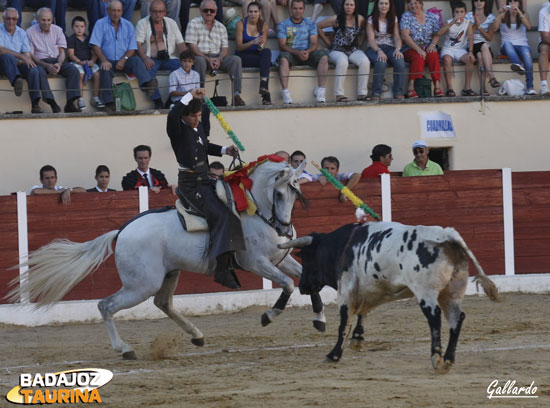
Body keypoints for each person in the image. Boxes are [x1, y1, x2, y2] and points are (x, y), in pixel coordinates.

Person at [166, 89, 245, 289]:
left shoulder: (198, 127)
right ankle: (220, 267)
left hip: (204, 180)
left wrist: (224, 150)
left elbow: (205, 145)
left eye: (199, 115)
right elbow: (173, 114)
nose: (196, 119)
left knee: (233, 206)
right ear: (185, 115)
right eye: (193, 115)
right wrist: (190, 95)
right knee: (222, 215)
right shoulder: (176, 129)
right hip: (189, 185)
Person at [90, 0, 163, 111]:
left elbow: (132, 48)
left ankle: (147, 85)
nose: (116, 13)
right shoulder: (100, 24)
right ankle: (109, 102)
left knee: (137, 61)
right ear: (108, 11)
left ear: (122, 11)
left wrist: (124, 59)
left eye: (119, 10)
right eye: (113, 10)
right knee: (104, 69)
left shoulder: (128, 25)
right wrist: (104, 60)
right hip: (107, 59)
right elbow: (95, 45)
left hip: (123, 60)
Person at [185, 0, 246, 106]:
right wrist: (207, 59)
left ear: (216, 12)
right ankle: (200, 95)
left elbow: (225, 49)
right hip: (201, 56)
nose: (209, 13)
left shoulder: (221, 27)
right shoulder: (193, 23)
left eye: (212, 10)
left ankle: (236, 95)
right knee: (199, 60)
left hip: (217, 57)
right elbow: (192, 47)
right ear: (200, 10)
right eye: (206, 10)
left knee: (236, 60)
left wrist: (219, 59)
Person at [26, 7, 82, 113]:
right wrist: (46, 65)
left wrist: (59, 64)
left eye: (49, 20)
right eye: (43, 20)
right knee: (39, 72)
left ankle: (70, 103)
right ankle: (52, 102)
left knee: (73, 70)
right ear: (37, 19)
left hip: (57, 60)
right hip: (41, 62)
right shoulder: (30, 32)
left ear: (52, 19)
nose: (46, 23)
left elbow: (62, 52)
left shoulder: (58, 30)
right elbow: (31, 55)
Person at [277, 0, 329, 104]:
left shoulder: (310, 24)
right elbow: (282, 45)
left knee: (324, 56)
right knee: (283, 58)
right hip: (292, 54)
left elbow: (314, 43)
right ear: (291, 9)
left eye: (300, 8)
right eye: (295, 8)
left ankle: (321, 91)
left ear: (304, 10)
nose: (298, 11)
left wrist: (307, 51)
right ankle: (285, 92)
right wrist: (297, 53)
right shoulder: (283, 25)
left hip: (307, 53)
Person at [317, 0, 370, 102]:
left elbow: (367, 28)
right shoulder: (336, 18)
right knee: (342, 62)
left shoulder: (359, 19)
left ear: (355, 7)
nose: (349, 7)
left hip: (353, 49)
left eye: (351, 5)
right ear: (343, 6)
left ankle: (362, 93)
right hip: (337, 50)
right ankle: (339, 94)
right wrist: (328, 43)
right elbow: (318, 26)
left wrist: (361, 41)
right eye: (347, 5)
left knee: (365, 61)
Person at [136, 0, 186, 105]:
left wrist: (185, 59)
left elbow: (181, 43)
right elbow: (138, 44)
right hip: (151, 58)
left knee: (184, 68)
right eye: (155, 11)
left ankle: (171, 100)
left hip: (169, 58)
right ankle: (157, 100)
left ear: (165, 12)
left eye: (160, 11)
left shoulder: (172, 23)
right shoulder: (142, 23)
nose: (158, 14)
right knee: (146, 69)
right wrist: (145, 58)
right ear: (150, 11)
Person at [0, 8, 44, 112]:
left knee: (33, 68)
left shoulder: (22, 32)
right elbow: (1, 50)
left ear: (17, 20)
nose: (11, 21)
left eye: (14, 19)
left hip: (17, 64)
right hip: (2, 64)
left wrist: (22, 59)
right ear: (3, 18)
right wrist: (21, 57)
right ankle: (16, 80)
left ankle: (35, 104)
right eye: (8, 18)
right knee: (8, 56)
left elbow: (27, 54)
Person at [400, 0, 444, 98]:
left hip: (427, 47)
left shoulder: (431, 17)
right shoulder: (406, 16)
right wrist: (418, 49)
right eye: (410, 3)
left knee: (433, 55)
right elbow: (405, 36)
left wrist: (432, 45)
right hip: (410, 48)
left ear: (421, 4)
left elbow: (437, 34)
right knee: (418, 56)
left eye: (416, 3)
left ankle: (437, 86)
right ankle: (410, 88)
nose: (413, 6)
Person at [491, 0, 535, 95]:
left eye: (515, 2)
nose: (513, 4)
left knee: (528, 58)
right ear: (508, 4)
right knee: (507, 44)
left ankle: (530, 87)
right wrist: (499, 14)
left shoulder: (523, 14)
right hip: (506, 46)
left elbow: (528, 27)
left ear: (519, 4)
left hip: (522, 44)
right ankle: (518, 64)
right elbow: (494, 29)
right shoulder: (504, 15)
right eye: (511, 2)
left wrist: (519, 12)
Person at [366, 0, 406, 100]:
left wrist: (398, 49)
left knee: (400, 61)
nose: (384, 6)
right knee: (381, 61)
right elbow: (371, 40)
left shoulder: (393, 18)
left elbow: (397, 37)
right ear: (377, 5)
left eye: (386, 3)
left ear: (389, 6)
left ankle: (398, 91)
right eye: (381, 3)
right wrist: (379, 51)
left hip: (390, 47)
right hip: (374, 48)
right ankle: (376, 92)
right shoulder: (371, 19)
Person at [234, 1, 272, 105]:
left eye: (255, 11)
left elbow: (262, 48)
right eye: (250, 12)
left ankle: (263, 85)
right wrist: (252, 42)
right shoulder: (240, 24)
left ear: (260, 12)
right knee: (266, 63)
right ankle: (266, 95)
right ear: (247, 13)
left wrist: (260, 44)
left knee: (267, 52)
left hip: (256, 56)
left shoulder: (264, 25)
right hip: (242, 56)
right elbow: (239, 47)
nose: (253, 14)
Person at [438, 2, 476, 97]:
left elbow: (470, 37)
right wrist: (452, 23)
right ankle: (449, 88)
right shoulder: (448, 22)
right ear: (453, 13)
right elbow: (439, 33)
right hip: (448, 49)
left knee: (471, 60)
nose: (459, 14)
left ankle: (467, 88)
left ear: (465, 13)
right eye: (457, 12)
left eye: (461, 12)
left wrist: (471, 52)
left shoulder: (468, 23)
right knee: (447, 60)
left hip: (460, 49)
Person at [169, 49, 212, 135]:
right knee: (190, 111)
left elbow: (197, 90)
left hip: (194, 100)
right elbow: (172, 92)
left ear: (193, 63)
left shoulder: (196, 74)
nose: (187, 64)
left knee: (205, 108)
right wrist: (187, 93)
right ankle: (185, 134)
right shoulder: (174, 74)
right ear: (181, 62)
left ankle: (205, 135)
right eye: (184, 61)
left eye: (189, 61)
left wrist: (200, 93)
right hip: (181, 101)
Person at [67, 16, 104, 110]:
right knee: (81, 74)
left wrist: (92, 61)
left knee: (97, 74)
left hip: (88, 62)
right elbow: (71, 54)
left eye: (82, 26)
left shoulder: (89, 39)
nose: (79, 29)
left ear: (85, 27)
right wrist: (79, 62)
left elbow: (94, 53)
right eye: (77, 26)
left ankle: (95, 98)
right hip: (76, 62)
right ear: (72, 27)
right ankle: (80, 99)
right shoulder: (71, 39)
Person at [466, 0, 501, 94]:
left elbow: (489, 38)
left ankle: (483, 88)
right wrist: (475, 25)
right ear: (473, 3)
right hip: (471, 45)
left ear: (485, 2)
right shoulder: (468, 16)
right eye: (476, 1)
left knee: (480, 56)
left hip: (484, 49)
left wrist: (479, 27)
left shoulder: (491, 17)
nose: (479, 2)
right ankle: (492, 77)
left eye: (481, 0)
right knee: (484, 45)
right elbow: (467, 35)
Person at [539, 0, 550, 95]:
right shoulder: (544, 12)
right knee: (544, 48)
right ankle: (543, 85)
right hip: (547, 43)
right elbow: (545, 37)